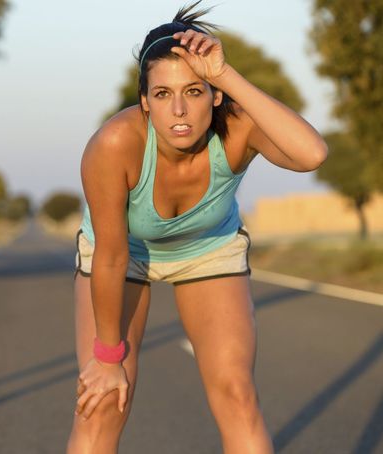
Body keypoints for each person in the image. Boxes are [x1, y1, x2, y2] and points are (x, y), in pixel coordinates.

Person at [67, 2, 327, 453]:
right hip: (123, 254)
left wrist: (225, 73)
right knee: (105, 399)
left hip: (208, 252)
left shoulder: (238, 129)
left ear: (215, 95)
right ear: (145, 102)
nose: (180, 109)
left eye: (195, 90)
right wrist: (109, 358)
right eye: (163, 94)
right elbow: (111, 255)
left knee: (237, 395)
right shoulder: (114, 143)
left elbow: (312, 155)